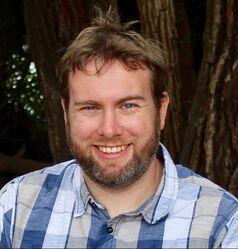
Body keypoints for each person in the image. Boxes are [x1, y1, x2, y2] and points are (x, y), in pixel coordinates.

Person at [0, 9, 238, 249]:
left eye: (128, 105)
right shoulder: (16, 206)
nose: (109, 129)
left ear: (161, 110)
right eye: (90, 107)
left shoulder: (222, 225)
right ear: (66, 113)